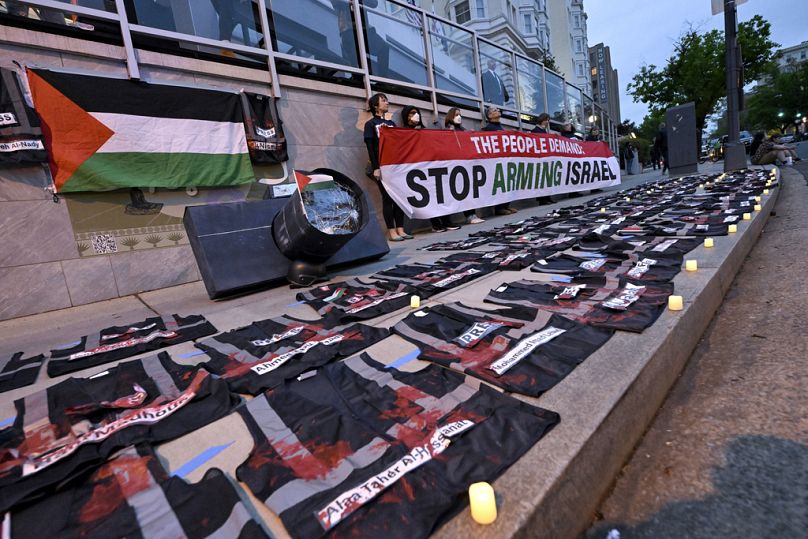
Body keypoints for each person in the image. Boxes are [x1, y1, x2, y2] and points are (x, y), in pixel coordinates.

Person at [402, 105, 460, 232]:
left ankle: (446, 221)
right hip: (417, 170)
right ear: (406, 116)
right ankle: (435, 223)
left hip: (431, 167)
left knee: (440, 196)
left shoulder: (425, 131)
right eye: (412, 113)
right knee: (429, 199)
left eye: (417, 113)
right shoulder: (403, 133)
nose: (415, 115)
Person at [364, 93, 410, 242]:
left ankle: (401, 229)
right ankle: (392, 231)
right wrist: (376, 167)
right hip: (381, 166)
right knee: (387, 198)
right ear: (375, 105)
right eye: (383, 100)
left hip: (395, 166)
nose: (387, 102)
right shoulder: (370, 124)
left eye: (386, 100)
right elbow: (370, 148)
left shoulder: (391, 124)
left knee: (399, 197)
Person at [444, 108, 484, 225]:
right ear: (450, 116)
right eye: (456, 115)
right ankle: (464, 217)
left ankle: (472, 214)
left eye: (460, 115)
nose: (459, 117)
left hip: (466, 165)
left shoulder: (463, 130)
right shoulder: (447, 131)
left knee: (469, 191)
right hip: (454, 167)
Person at [481, 106, 517, 215]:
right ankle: (499, 208)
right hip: (496, 161)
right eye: (495, 110)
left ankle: (506, 205)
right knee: (500, 184)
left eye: (498, 109)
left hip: (505, 159)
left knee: (508, 182)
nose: (498, 111)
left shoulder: (499, 126)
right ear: (489, 115)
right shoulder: (489, 128)